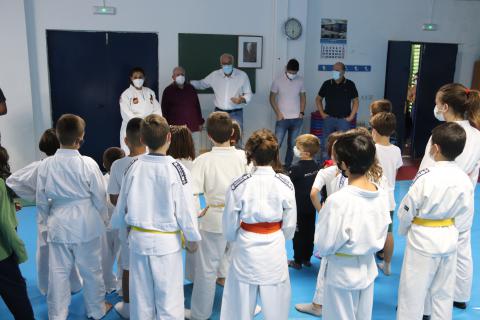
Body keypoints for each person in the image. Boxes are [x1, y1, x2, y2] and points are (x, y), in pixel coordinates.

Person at [113, 114, 201, 319]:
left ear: (142, 140)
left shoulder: (132, 168)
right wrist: (192, 237)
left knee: (141, 299)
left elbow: (121, 206)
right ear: (169, 138)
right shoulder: (177, 170)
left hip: (138, 241)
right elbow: (186, 209)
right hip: (166, 244)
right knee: (169, 299)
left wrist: (120, 227)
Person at [36, 114, 111, 319]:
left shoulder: (46, 165)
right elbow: (99, 196)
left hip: (58, 222)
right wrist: (104, 219)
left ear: (58, 135)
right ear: (81, 138)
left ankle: (57, 314)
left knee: (58, 274)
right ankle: (96, 310)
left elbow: (41, 200)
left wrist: (46, 220)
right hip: (86, 224)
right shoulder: (88, 164)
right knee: (91, 271)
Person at [397, 122, 473, 320]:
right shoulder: (464, 178)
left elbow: (407, 209)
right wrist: (456, 232)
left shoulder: (426, 176)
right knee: (443, 294)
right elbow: (466, 214)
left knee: (412, 294)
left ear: (435, 148)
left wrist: (404, 229)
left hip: (423, 238)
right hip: (449, 236)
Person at [220, 129, 297, 320]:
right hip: (274, 245)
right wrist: (280, 234)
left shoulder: (238, 183)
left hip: (246, 245)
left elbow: (229, 226)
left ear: (250, 155)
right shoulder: (285, 182)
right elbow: (289, 225)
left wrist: (235, 237)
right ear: (274, 154)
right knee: (276, 305)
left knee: (239, 303)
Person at [314, 132, 390, 320]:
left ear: (344, 165)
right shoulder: (380, 193)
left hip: (342, 271)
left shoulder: (338, 200)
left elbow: (323, 244)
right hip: (367, 267)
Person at [419, 83, 480, 311]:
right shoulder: (476, 135)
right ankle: (460, 295)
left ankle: (425, 303)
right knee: (462, 247)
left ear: (444, 106)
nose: (435, 107)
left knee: (430, 250)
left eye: (436, 103)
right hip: (465, 198)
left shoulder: (440, 135)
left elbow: (426, 171)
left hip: (438, 201)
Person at [187, 111, 249, 320]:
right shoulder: (244, 157)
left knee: (206, 270)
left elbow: (192, 194)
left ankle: (200, 313)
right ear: (233, 132)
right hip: (242, 218)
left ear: (209, 135)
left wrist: (197, 214)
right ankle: (243, 311)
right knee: (240, 267)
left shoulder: (203, 160)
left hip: (213, 217)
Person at [6, 128, 83, 296]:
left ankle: (48, 287)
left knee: (46, 251)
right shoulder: (76, 164)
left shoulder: (39, 166)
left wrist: (34, 194)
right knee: (69, 250)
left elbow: (12, 181)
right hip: (70, 216)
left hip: (46, 217)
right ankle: (74, 284)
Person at [108, 117, 146, 318]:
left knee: (127, 265)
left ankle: (129, 305)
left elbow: (114, 197)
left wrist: (126, 209)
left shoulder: (117, 165)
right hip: (152, 223)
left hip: (128, 220)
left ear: (126, 140)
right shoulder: (157, 162)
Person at [0, 146, 35, 320]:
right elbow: (5, 225)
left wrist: (9, 207)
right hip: (2, 254)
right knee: (17, 290)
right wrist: (20, 252)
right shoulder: (0, 184)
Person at [370, 112, 403, 275]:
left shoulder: (372, 149)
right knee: (388, 231)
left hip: (372, 195)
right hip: (389, 196)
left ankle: (369, 265)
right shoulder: (396, 150)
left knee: (369, 229)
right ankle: (388, 265)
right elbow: (395, 172)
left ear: (374, 130)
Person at [167, 125, 199, 283]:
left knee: (172, 250)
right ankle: (193, 277)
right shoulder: (193, 163)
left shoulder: (167, 165)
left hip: (171, 209)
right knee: (193, 247)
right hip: (192, 207)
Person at [190, 54, 252, 131]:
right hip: (218, 114)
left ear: (233, 63)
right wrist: (187, 83)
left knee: (235, 140)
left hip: (235, 114)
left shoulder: (242, 75)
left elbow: (248, 94)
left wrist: (242, 99)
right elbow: (201, 84)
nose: (226, 66)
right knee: (218, 138)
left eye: (229, 63)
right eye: (224, 64)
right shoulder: (214, 75)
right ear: (221, 64)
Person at [287, 134, 320, 269]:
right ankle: (307, 258)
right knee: (309, 231)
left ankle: (297, 261)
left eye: (298, 147)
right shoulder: (316, 166)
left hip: (298, 208)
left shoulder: (295, 168)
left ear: (305, 153)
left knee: (298, 234)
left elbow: (288, 184)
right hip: (312, 206)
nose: (295, 149)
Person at [316, 62, 359, 159]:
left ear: (343, 72)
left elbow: (355, 101)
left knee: (344, 144)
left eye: (337, 70)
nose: (334, 72)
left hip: (343, 120)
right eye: (333, 70)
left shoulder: (350, 84)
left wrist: (351, 116)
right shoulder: (327, 83)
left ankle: (341, 166)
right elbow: (318, 99)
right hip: (329, 119)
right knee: (325, 144)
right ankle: (324, 165)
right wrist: (322, 113)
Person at [270, 59, 307, 168]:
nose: (292, 75)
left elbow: (303, 97)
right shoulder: (278, 81)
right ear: (286, 69)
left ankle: (288, 166)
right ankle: (273, 165)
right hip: (282, 119)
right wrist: (278, 113)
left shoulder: (301, 81)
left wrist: (301, 112)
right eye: (291, 72)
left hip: (297, 119)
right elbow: (271, 98)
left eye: (295, 73)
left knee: (292, 145)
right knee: (277, 144)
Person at [119, 67, 162, 152]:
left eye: (140, 77)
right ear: (131, 78)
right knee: (130, 155)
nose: (138, 79)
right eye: (135, 77)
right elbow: (126, 114)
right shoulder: (126, 94)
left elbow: (157, 110)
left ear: (144, 78)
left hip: (148, 129)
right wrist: (142, 123)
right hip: (132, 129)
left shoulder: (150, 92)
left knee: (146, 155)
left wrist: (153, 123)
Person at [161, 67, 204, 150]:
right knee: (178, 152)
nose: (180, 76)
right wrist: (166, 127)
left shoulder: (191, 88)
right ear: (173, 77)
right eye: (178, 75)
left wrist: (200, 122)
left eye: (182, 74)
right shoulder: (168, 91)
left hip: (193, 127)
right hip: (176, 130)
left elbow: (197, 106)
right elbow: (164, 110)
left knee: (195, 151)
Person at [101, 147, 125, 294]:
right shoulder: (128, 178)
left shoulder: (101, 180)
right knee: (124, 257)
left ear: (104, 164)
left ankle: (107, 284)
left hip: (106, 223)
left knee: (105, 257)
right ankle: (123, 287)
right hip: (122, 223)